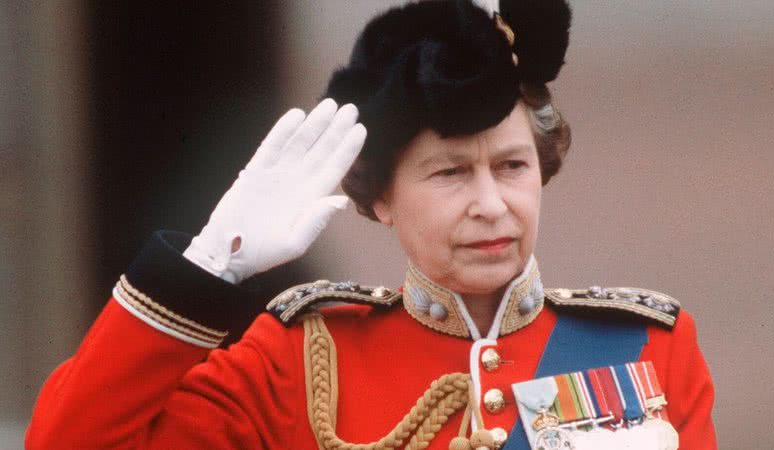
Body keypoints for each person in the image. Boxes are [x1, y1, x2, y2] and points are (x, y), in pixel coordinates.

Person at [26, 1, 716, 449]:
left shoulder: (647, 349)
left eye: (510, 167)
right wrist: (211, 264)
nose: (490, 203)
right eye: (449, 173)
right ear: (380, 197)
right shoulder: (300, 359)